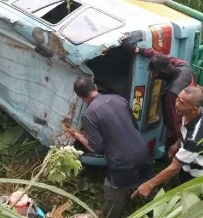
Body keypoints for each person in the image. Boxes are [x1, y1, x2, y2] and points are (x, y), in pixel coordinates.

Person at [64, 76, 154, 218]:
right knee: (148, 183)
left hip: (121, 162)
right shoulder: (119, 99)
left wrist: (79, 136)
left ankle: (109, 214)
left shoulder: (89, 115)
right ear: (95, 87)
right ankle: (158, 209)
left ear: (80, 97)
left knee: (113, 192)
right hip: (143, 152)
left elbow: (98, 148)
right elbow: (133, 125)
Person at [131, 87, 203, 199]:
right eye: (178, 99)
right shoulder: (194, 113)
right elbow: (185, 131)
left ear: (194, 110)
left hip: (198, 172)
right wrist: (177, 144)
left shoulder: (195, 138)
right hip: (191, 160)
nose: (176, 104)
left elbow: (175, 167)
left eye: (182, 103)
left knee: (187, 198)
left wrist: (149, 184)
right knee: (177, 180)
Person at [120, 35, 196, 153]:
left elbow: (174, 124)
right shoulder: (183, 65)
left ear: (164, 72)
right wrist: (137, 50)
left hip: (184, 124)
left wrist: (173, 144)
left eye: (155, 74)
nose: (154, 76)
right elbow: (161, 57)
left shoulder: (172, 94)